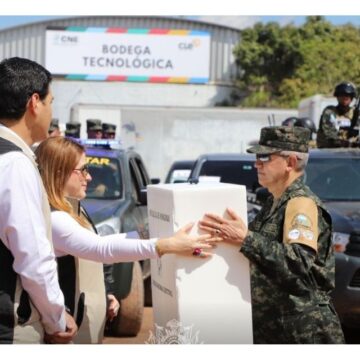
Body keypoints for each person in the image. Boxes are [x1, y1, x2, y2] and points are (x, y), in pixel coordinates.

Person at [35, 136, 217, 344]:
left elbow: (102, 241)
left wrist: (150, 233)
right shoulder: (56, 218)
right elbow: (101, 248)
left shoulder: (71, 207)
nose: (89, 177)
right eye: (83, 170)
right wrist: (167, 245)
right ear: (59, 173)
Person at [199, 126, 345, 344]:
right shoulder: (274, 201)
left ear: (291, 162)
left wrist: (246, 238)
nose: (257, 164)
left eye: (265, 157)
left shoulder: (301, 204)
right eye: (257, 157)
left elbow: (297, 262)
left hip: (303, 330)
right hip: (276, 327)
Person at [0, 57, 77, 344]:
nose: (51, 111)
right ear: (34, 103)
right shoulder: (15, 164)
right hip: (12, 329)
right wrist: (56, 318)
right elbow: (33, 260)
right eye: (51, 101)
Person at [317, 81, 357, 148]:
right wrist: (344, 142)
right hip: (331, 151)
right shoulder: (330, 112)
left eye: (348, 95)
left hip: (352, 152)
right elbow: (329, 134)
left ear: (352, 97)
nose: (345, 97)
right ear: (337, 96)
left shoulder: (356, 114)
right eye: (342, 95)